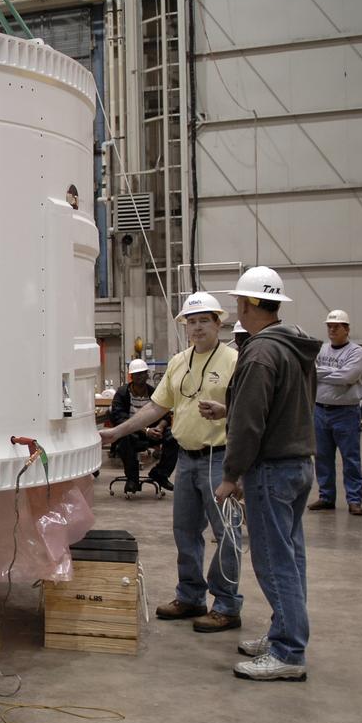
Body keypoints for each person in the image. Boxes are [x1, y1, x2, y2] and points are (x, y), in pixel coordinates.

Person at [101, 291, 241, 633]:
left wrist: (228, 419)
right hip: (188, 460)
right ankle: (191, 596)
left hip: (219, 458)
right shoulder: (179, 362)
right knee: (186, 532)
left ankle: (226, 605)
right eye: (191, 322)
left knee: (227, 534)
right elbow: (155, 408)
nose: (196, 328)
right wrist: (117, 432)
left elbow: (250, 412)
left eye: (203, 321)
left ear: (218, 323)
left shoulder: (234, 361)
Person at [206, 266, 321, 682]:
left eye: (239, 301)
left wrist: (231, 474)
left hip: (271, 470)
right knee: (290, 558)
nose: (237, 308)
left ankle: (289, 651)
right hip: (297, 465)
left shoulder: (258, 352)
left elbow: (251, 424)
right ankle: (282, 634)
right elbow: (282, 407)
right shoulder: (293, 346)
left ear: (252, 304)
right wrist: (228, 409)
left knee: (273, 563)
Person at [309, 310, 362, 516]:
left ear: (347, 329)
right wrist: (331, 374)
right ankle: (326, 497)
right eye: (330, 326)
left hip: (346, 413)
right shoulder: (321, 349)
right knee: (322, 457)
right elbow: (311, 372)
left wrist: (324, 374)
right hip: (320, 411)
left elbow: (348, 377)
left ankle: (354, 500)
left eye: (337, 326)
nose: (332, 330)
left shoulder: (356, 352)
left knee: (351, 459)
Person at [108, 358, 177, 493]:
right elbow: (119, 418)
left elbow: (166, 414)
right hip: (131, 433)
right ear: (131, 376)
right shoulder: (122, 394)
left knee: (173, 436)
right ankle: (132, 479)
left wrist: (160, 427)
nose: (140, 376)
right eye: (137, 374)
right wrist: (145, 430)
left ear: (147, 375)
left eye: (143, 373)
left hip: (152, 433)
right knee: (125, 439)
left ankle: (160, 473)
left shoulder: (154, 393)